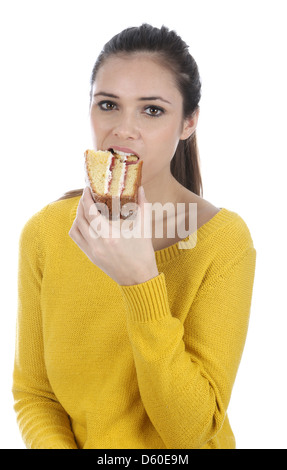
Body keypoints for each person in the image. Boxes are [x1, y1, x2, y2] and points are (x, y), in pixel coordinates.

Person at [12, 24, 257, 449]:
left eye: (152, 110)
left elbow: (194, 432)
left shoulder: (224, 243)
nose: (124, 129)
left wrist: (140, 282)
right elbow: (35, 395)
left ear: (188, 123)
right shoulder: (46, 234)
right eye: (108, 104)